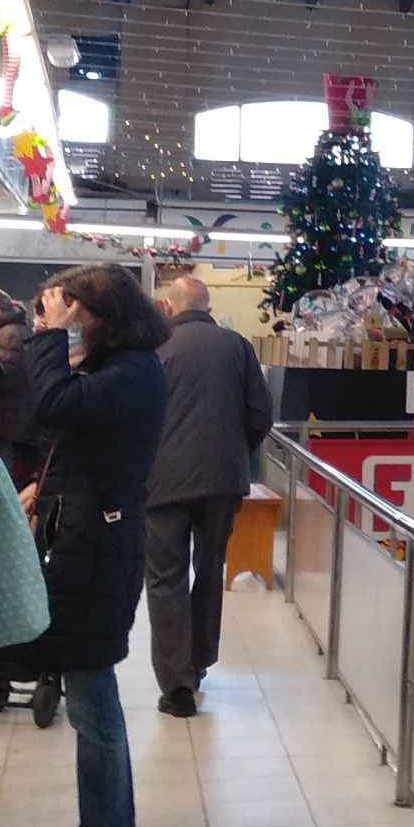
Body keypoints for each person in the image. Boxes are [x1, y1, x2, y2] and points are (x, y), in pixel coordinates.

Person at [17, 264, 172, 827]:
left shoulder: (134, 371)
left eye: (69, 305)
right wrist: (43, 488)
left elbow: (53, 403)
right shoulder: (119, 367)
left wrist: (50, 336)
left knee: (92, 699)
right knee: (91, 692)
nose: (59, 314)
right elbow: (74, 435)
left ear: (99, 314)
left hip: (99, 543)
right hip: (89, 534)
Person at [146, 274, 273, 718]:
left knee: (165, 578)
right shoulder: (237, 347)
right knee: (209, 567)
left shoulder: (155, 348)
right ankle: (198, 663)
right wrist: (236, 450)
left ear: (168, 305)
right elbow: (261, 413)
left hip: (161, 483)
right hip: (222, 480)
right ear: (207, 303)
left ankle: (176, 686)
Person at [0, 287, 40, 485]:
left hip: (8, 427)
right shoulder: (15, 331)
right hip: (15, 424)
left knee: (6, 483)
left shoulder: (8, 336)